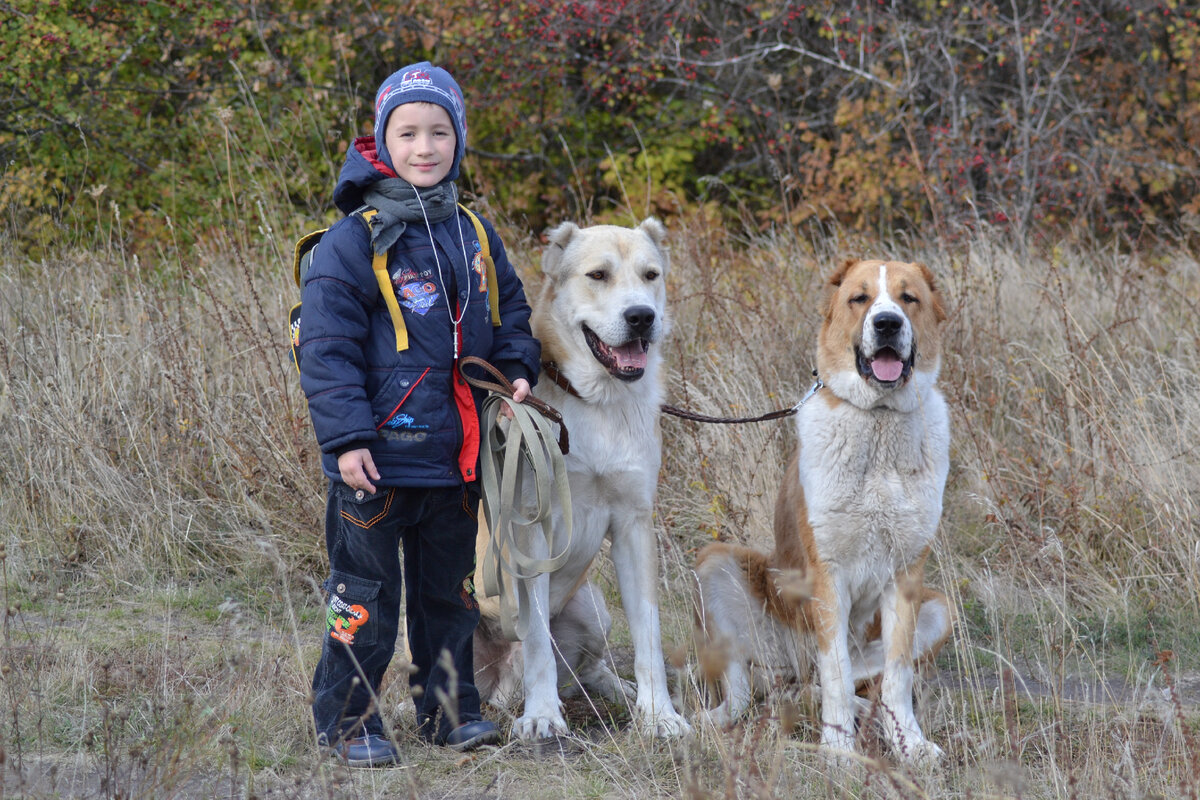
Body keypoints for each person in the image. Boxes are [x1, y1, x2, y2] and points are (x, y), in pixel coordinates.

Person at [297, 61, 540, 767]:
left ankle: (449, 710)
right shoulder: (350, 242)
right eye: (408, 133)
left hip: (454, 460)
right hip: (374, 463)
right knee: (364, 598)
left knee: (451, 598)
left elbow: (514, 316)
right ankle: (349, 721)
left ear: (459, 140)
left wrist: (517, 374)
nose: (425, 146)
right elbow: (327, 349)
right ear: (382, 140)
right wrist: (346, 440)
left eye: (440, 132)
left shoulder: (475, 234)